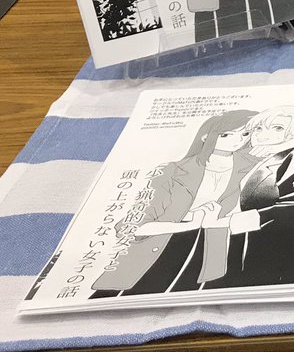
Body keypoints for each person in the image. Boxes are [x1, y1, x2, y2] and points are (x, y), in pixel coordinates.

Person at [91, 110, 260, 297]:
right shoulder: (173, 171)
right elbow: (131, 227)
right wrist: (193, 223)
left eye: (245, 133)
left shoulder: (251, 167)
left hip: (211, 256)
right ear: (206, 137)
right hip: (160, 250)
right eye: (226, 135)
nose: (238, 140)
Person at [208, 106, 294, 288]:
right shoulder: (263, 160)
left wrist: (235, 221)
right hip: (249, 246)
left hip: (277, 248)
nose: (262, 135)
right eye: (258, 128)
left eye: (278, 128)